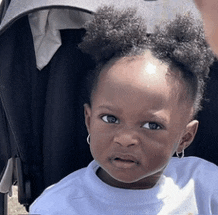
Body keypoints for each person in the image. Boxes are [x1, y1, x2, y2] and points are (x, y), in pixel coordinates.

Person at [29, 6, 217, 214]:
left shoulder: (205, 186)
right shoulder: (59, 206)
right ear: (89, 120)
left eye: (151, 125)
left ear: (185, 137)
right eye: (110, 119)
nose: (125, 138)